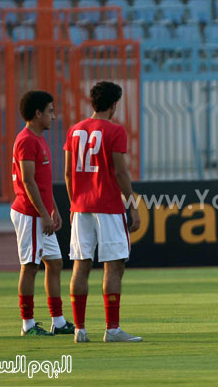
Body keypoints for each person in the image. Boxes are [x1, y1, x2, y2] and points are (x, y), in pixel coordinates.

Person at [64, 81, 141, 343]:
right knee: (114, 266)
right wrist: (132, 205)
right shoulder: (115, 131)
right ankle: (112, 329)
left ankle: (80, 329)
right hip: (107, 206)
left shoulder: (74, 130)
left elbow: (67, 173)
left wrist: (74, 203)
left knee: (80, 265)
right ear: (113, 104)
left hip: (81, 206)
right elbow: (120, 172)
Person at [11, 90, 75, 336]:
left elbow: (43, 182)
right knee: (29, 266)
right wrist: (44, 214)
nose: (54, 117)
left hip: (41, 213)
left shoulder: (38, 138)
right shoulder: (27, 139)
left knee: (55, 263)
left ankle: (57, 322)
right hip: (30, 214)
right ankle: (27, 324)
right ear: (37, 113)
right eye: (50, 111)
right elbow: (28, 181)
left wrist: (54, 209)